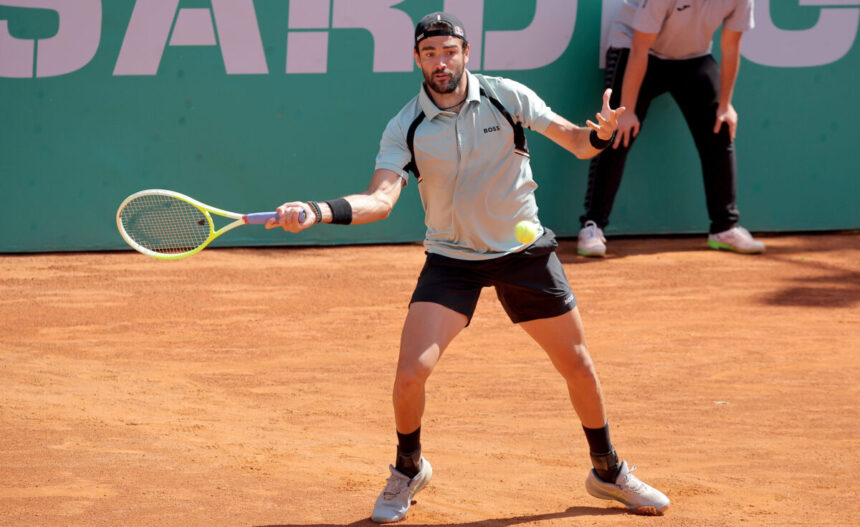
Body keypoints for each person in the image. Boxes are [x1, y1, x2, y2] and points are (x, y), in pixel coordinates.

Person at [267, 12, 670, 523]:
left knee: (579, 366)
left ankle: (607, 471)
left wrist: (601, 135)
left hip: (523, 254)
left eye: (449, 51)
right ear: (417, 59)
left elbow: (574, 141)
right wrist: (318, 210)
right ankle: (408, 468)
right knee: (411, 372)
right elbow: (380, 199)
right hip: (452, 260)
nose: (441, 62)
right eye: (430, 53)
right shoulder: (405, 125)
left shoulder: (507, 97)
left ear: (465, 53)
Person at [577, 0, 765, 257]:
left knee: (720, 126)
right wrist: (628, 110)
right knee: (616, 131)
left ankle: (725, 227)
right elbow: (640, 47)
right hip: (635, 48)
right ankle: (593, 225)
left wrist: (725, 105)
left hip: (694, 58)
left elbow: (731, 46)